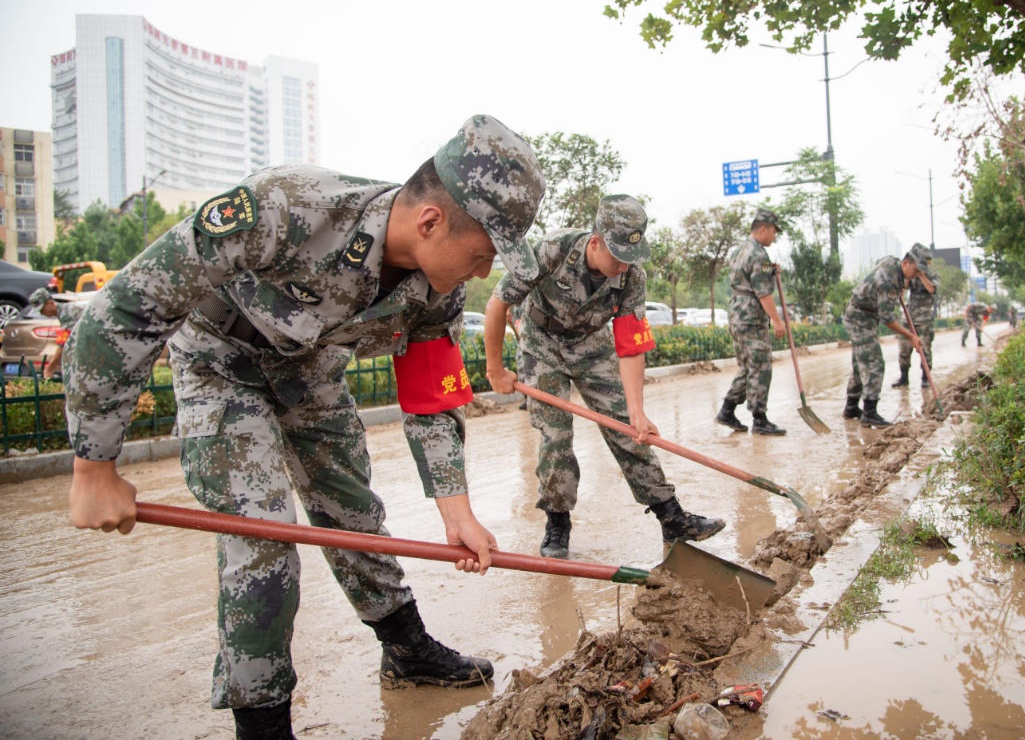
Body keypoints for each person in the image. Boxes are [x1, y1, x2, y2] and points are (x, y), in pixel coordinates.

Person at [64, 114, 545, 740]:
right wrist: (93, 466)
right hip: (220, 362)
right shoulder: (286, 206)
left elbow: (431, 394)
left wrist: (457, 510)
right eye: (482, 254)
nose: (483, 275)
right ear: (431, 222)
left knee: (353, 512)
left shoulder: (439, 291)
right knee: (263, 534)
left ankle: (407, 647)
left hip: (309, 369)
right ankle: (262, 725)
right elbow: (127, 306)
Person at [482, 195, 725, 559]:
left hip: (592, 348)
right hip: (541, 345)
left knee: (629, 428)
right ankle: (557, 522)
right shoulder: (552, 249)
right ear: (595, 241)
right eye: (618, 257)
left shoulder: (632, 278)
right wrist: (495, 368)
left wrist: (637, 411)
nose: (624, 267)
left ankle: (671, 517)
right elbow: (497, 303)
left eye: (631, 259)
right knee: (555, 434)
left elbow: (630, 345)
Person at [842, 244, 933, 427]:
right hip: (860, 318)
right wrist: (911, 336)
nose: (916, 275)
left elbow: (880, 263)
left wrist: (902, 285)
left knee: (861, 364)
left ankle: (851, 407)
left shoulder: (892, 261)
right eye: (916, 270)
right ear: (906, 262)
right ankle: (869, 412)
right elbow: (887, 319)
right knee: (874, 364)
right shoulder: (888, 283)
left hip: (861, 314)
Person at [715, 208, 788, 435]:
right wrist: (777, 320)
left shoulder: (740, 250)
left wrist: (771, 272)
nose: (774, 237)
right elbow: (763, 292)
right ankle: (760, 419)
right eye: (774, 232)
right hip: (752, 318)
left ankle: (727, 410)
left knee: (748, 367)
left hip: (737, 314)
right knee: (761, 366)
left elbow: (745, 277)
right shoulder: (758, 255)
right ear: (763, 229)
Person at [890, 245, 939, 389]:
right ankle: (904, 377)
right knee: (904, 349)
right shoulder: (910, 274)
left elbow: (932, 289)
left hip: (924, 320)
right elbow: (903, 288)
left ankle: (925, 377)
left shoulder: (932, 276)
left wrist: (921, 275)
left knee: (925, 350)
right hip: (909, 318)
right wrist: (909, 278)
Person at [27, 288, 87, 380]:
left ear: (51, 304)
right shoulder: (63, 312)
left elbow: (64, 345)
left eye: (42, 309)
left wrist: (49, 369)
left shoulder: (67, 314)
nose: (41, 313)